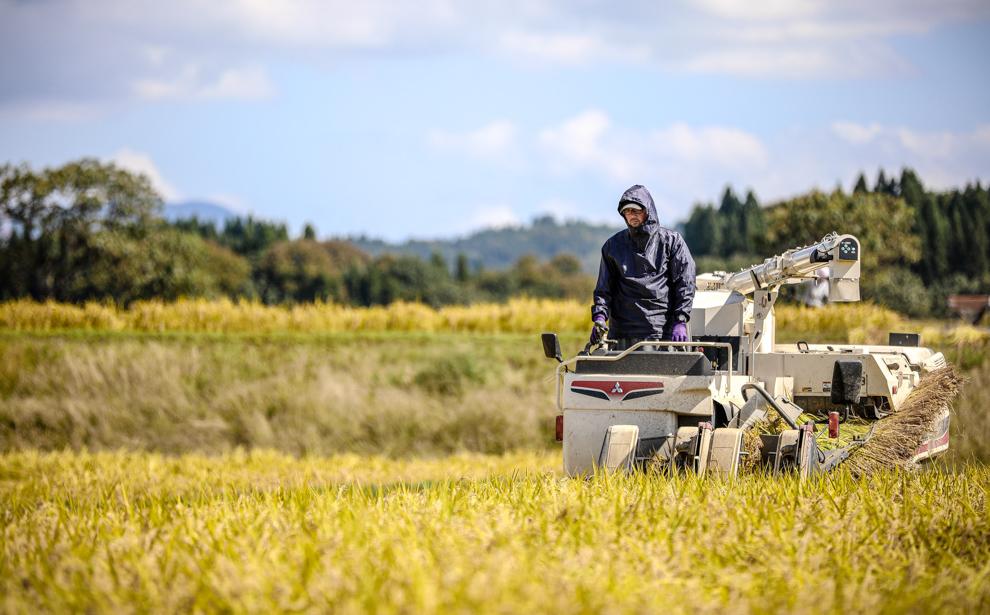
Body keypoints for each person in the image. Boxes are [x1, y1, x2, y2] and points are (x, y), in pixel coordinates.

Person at [590, 184, 696, 350]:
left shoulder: (671, 242)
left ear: (648, 211)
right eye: (627, 211)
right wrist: (600, 317)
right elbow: (604, 289)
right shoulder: (612, 246)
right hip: (621, 337)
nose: (631, 215)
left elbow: (685, 283)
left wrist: (680, 320)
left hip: (660, 336)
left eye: (636, 210)